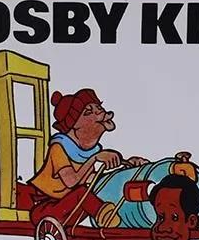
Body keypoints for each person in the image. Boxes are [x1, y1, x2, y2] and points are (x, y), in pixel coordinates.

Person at [26, 87, 146, 224]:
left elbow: (94, 179)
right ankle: (106, 218)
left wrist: (127, 167)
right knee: (82, 193)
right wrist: (95, 158)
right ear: (74, 125)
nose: (99, 112)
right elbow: (71, 182)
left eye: (98, 107)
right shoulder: (59, 148)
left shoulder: (89, 152)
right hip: (46, 209)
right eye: (88, 112)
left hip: (72, 210)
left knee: (95, 192)